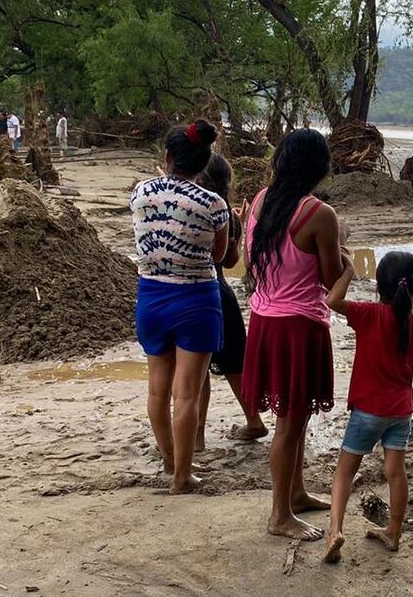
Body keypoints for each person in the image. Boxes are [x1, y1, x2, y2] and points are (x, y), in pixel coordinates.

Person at [242, 128, 351, 541]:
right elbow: (329, 278)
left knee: (295, 418)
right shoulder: (319, 214)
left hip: (265, 320)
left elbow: (252, 260)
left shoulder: (259, 199)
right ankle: (279, 515)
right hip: (299, 326)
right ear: (320, 167)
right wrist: (346, 255)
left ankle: (297, 493)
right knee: (290, 422)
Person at [130, 119, 228, 495]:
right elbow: (218, 256)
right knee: (187, 393)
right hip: (197, 300)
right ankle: (182, 476)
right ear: (204, 163)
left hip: (151, 296)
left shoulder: (140, 193)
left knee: (157, 390)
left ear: (168, 157)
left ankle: (169, 458)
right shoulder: (213, 204)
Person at [323, 251, 413, 563]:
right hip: (401, 411)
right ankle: (393, 533)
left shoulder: (369, 315)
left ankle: (335, 531)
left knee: (344, 472)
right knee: (396, 473)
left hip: (368, 410)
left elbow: (332, 301)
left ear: (378, 287)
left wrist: (349, 270)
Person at [194, 153, 268, 449]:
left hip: (198, 293)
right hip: (221, 293)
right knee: (235, 366)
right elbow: (230, 259)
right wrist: (237, 227)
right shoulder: (225, 212)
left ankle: (197, 436)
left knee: (197, 370)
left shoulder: (196, 207)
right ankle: (254, 420)